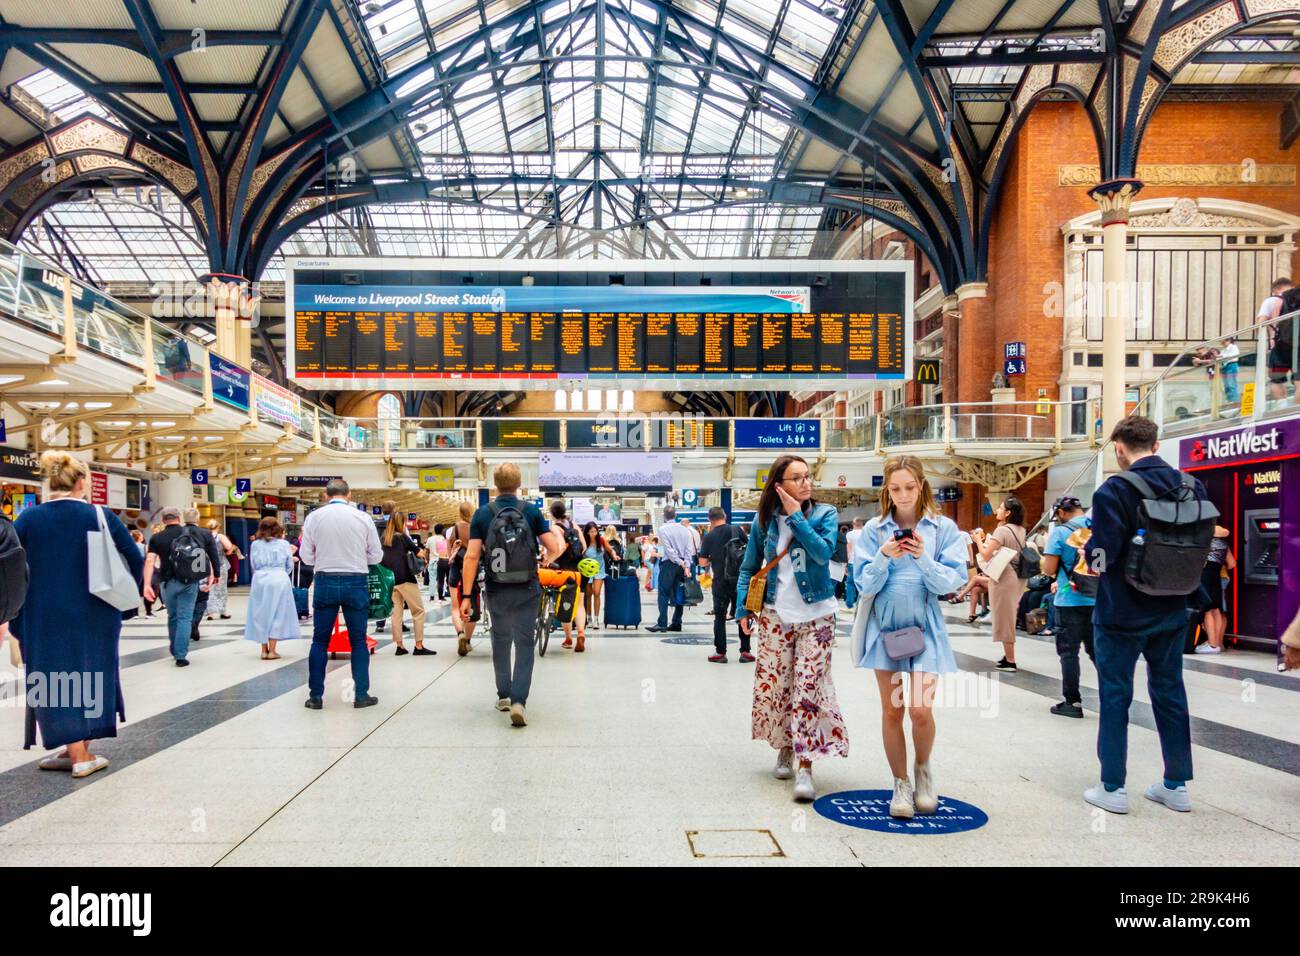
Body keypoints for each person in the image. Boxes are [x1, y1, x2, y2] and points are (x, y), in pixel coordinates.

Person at [1083, 415, 1206, 815]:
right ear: (1156, 443)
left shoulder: (1114, 489)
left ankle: (1113, 787)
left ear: (1119, 448)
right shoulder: (1192, 485)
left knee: (1116, 694)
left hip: (1121, 611)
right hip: (1173, 607)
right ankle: (1176, 784)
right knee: (1170, 692)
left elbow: (1103, 555)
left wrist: (1090, 554)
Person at [11, 451, 144, 778]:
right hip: (95, 612)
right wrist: (128, 599)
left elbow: (10, 563)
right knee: (92, 671)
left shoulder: (29, 519)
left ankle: (73, 747)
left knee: (53, 676)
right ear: (82, 482)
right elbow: (133, 557)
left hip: (42, 614)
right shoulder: (100, 516)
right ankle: (81, 753)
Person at [851, 456, 968, 819]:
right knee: (892, 710)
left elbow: (952, 582)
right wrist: (884, 556)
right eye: (896, 488)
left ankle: (923, 768)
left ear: (921, 486)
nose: (903, 495)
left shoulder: (943, 528)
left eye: (910, 487)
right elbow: (863, 584)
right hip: (885, 629)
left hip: (926, 628)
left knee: (919, 709)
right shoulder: (873, 530)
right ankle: (900, 782)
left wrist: (923, 559)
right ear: (887, 489)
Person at [734, 455, 844, 802]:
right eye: (797, 478)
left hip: (817, 615)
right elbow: (749, 567)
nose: (806, 483)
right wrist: (744, 608)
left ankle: (807, 766)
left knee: (808, 688)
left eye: (808, 476)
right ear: (779, 485)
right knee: (779, 688)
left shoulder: (824, 514)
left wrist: (796, 516)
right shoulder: (763, 521)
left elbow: (823, 553)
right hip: (775, 615)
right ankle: (785, 747)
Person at [459, 463, 562, 727]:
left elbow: (471, 557)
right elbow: (556, 546)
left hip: (497, 588)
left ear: (495, 484)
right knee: (525, 643)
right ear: (519, 485)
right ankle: (519, 701)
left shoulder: (483, 514)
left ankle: (503, 695)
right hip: (527, 588)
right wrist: (543, 561)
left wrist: (467, 596)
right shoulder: (530, 511)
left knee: (501, 640)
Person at [299, 478, 383, 710]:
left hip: (324, 580)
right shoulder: (363, 518)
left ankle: (315, 697)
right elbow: (376, 556)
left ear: (327, 495)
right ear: (349, 494)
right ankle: (361, 695)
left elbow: (306, 557)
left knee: (319, 640)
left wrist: (326, 559)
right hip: (355, 581)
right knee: (358, 641)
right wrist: (355, 559)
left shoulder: (314, 518)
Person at [1041, 495, 1096, 718]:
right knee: (1098, 652)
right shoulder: (1098, 529)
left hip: (1068, 599)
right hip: (1097, 599)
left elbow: (1048, 569)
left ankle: (1072, 702)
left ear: (1061, 513)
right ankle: (1115, 699)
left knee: (1069, 653)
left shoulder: (1061, 533)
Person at [144, 506, 216, 667]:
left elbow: (149, 561)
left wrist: (147, 584)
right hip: (189, 581)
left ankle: (174, 647)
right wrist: (211, 574)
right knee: (185, 617)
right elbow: (204, 556)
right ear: (179, 518)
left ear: (163, 520)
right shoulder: (190, 534)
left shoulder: (157, 538)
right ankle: (181, 654)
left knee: (173, 615)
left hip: (167, 582)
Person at [974, 496, 1027, 671]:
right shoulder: (1020, 529)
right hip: (1017, 576)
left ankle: (1011, 660)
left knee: (1005, 617)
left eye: (1001, 508)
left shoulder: (1003, 531)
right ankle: (1007, 656)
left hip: (1005, 576)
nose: (997, 510)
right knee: (1008, 615)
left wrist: (977, 541)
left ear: (1008, 513)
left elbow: (987, 554)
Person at [698, 506, 749, 663]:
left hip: (720, 581)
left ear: (709, 519)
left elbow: (702, 562)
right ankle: (745, 652)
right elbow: (749, 551)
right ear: (724, 515)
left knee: (719, 617)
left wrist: (715, 557)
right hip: (739, 580)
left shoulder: (709, 537)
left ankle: (721, 653)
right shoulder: (737, 530)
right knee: (742, 614)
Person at [244, 517, 300, 660]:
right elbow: (289, 564)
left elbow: (253, 565)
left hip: (260, 578)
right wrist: (281, 573)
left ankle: (263, 650)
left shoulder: (255, 544)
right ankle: (272, 651)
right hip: (279, 578)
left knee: (260, 612)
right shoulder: (283, 544)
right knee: (278, 613)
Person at [381, 510, 432, 656]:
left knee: (396, 614)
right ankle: (419, 646)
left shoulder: (383, 539)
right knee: (418, 611)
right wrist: (423, 554)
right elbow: (419, 553)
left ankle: (400, 646)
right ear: (401, 523)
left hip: (390, 581)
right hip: (405, 579)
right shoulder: (402, 537)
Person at [647, 507, 697, 633]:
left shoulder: (663, 529)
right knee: (679, 592)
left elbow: (669, 551)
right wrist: (686, 565)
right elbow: (688, 550)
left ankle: (662, 623)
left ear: (664, 515)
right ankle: (676, 622)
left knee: (663, 592)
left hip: (669, 564)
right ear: (675, 515)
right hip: (681, 565)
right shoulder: (684, 530)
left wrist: (680, 562)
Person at [546, 500, 587, 652]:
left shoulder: (555, 527)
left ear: (552, 513)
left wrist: (550, 559)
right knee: (580, 604)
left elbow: (561, 546)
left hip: (564, 570)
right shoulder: (574, 525)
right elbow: (583, 547)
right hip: (579, 568)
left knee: (565, 602)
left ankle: (569, 638)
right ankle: (581, 633)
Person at [182, 508, 222, 646]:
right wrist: (217, 573)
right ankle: (195, 622)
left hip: (182, 573)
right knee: (201, 600)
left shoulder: (178, 532)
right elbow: (213, 554)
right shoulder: (205, 533)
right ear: (197, 519)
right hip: (200, 571)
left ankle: (188, 625)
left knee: (186, 600)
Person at [1194, 526, 1235, 655]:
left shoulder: (1204, 541)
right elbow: (1232, 564)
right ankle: (1217, 644)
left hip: (1204, 575)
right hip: (1216, 575)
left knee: (1207, 609)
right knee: (1217, 609)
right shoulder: (1223, 544)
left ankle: (1212, 645)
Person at [448, 502, 477, 656]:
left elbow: (449, 554)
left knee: (455, 607)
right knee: (471, 607)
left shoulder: (455, 529)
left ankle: (460, 633)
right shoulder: (476, 528)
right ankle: (468, 640)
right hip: (471, 572)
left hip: (455, 571)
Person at [1260, 277, 1294, 401]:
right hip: (1298, 346)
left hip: (1280, 347)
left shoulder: (1272, 301)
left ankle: (1281, 406)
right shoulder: (1297, 300)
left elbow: (1261, 322)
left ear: (1275, 289)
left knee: (1277, 380)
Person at [582, 521, 618, 627]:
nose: (594, 533)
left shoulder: (601, 540)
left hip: (599, 570)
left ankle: (596, 620)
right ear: (587, 533)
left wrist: (614, 556)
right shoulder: (584, 541)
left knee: (596, 593)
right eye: (591, 532)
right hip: (587, 571)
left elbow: (611, 550)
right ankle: (589, 618)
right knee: (588, 595)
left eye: (595, 531)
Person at [204, 518, 236, 620]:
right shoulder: (220, 537)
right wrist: (229, 552)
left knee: (209, 588)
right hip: (220, 565)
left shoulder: (204, 536)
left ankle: (210, 613)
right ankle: (222, 611)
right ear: (218, 526)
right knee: (221, 589)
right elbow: (229, 546)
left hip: (207, 565)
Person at [844, 517, 865, 609]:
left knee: (850, 583)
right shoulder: (866, 533)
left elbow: (848, 549)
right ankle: (862, 603)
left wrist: (846, 563)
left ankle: (849, 603)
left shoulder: (849, 534)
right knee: (864, 583)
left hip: (852, 561)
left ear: (853, 524)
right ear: (862, 524)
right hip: (864, 561)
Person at [432, 523, 450, 602]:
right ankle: (451, 593)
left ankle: (440, 597)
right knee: (449, 579)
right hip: (449, 561)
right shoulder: (450, 543)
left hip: (441, 561)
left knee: (440, 580)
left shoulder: (438, 543)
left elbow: (437, 551)